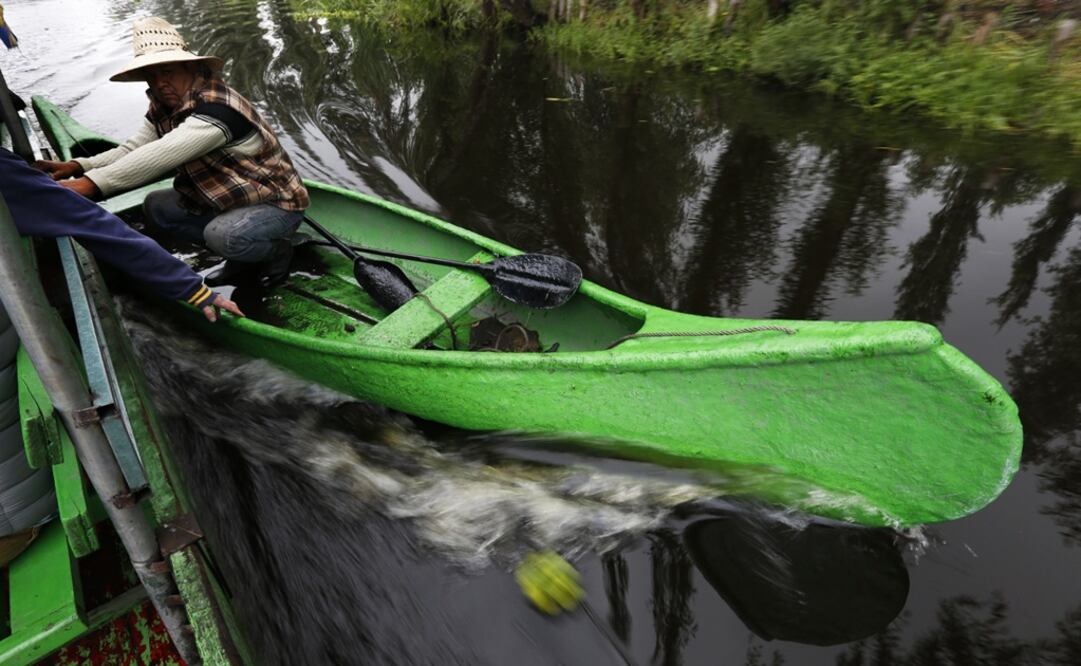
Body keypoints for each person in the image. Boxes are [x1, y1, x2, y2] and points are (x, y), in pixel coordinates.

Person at [36, 17, 309, 287]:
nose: (159, 83)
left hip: (275, 203)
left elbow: (161, 155)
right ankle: (241, 254)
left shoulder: (219, 109)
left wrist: (89, 185)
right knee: (157, 207)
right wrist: (78, 166)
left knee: (224, 236)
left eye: (167, 72)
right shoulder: (165, 105)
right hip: (229, 196)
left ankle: (277, 250)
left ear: (191, 68)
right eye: (152, 76)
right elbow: (135, 148)